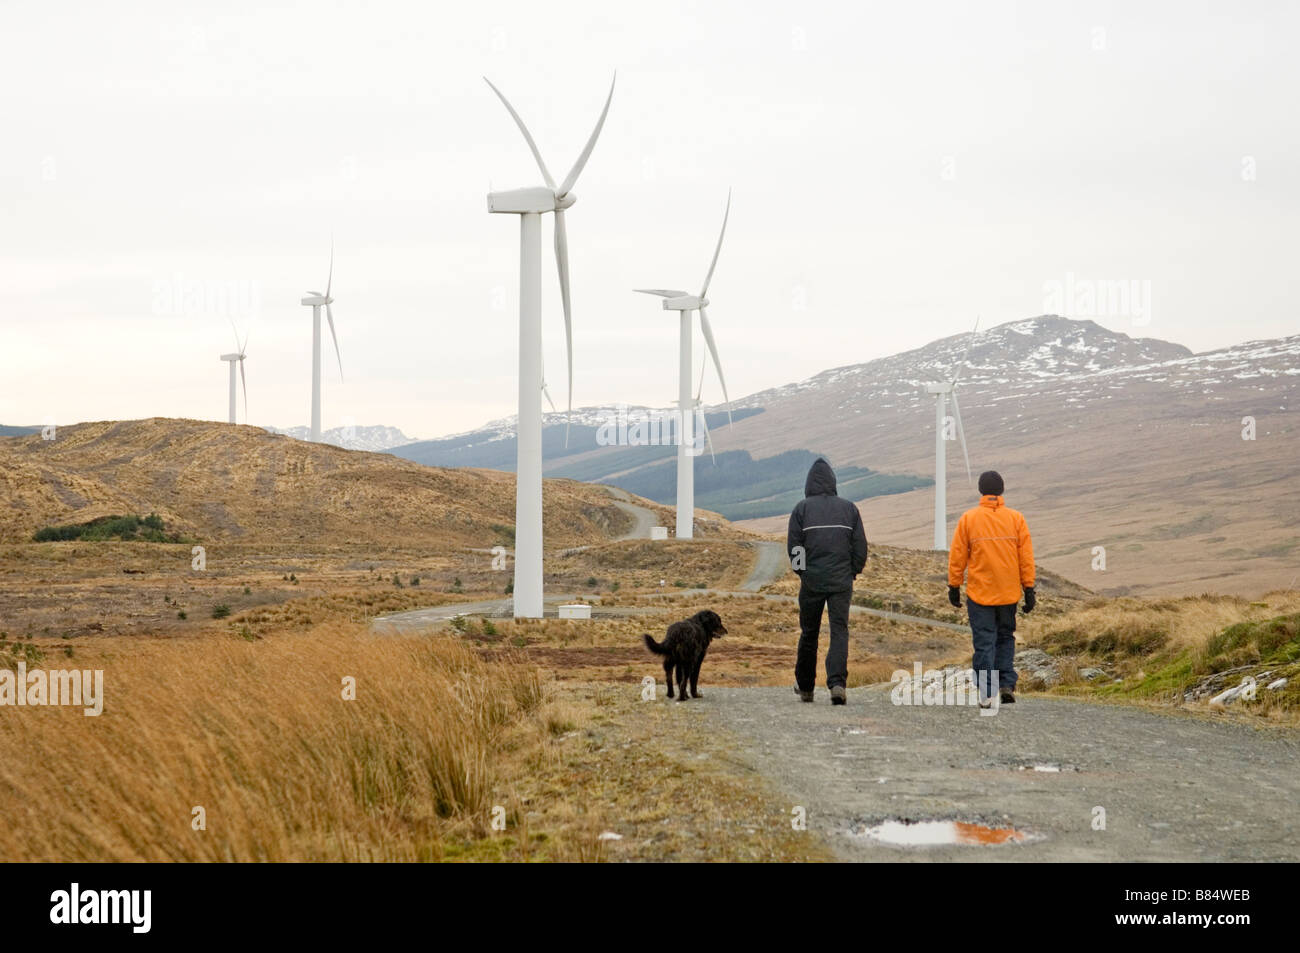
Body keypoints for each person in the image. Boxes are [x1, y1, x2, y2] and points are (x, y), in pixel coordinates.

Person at [947, 470, 1036, 707]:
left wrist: (954, 585)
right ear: (1002, 490)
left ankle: (987, 692)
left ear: (980, 491)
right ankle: (1006, 684)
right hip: (1008, 593)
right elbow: (1025, 557)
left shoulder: (969, 519)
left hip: (980, 594)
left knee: (984, 641)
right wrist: (1029, 588)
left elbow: (958, 556)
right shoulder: (1016, 519)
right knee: (1005, 637)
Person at [787, 458, 868, 705]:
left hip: (811, 582)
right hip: (840, 582)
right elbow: (860, 547)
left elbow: (795, 547)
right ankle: (837, 684)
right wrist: (852, 571)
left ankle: (806, 687)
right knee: (839, 631)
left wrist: (803, 573)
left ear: (809, 483)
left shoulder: (801, 509)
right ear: (833, 481)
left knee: (809, 633)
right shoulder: (849, 509)